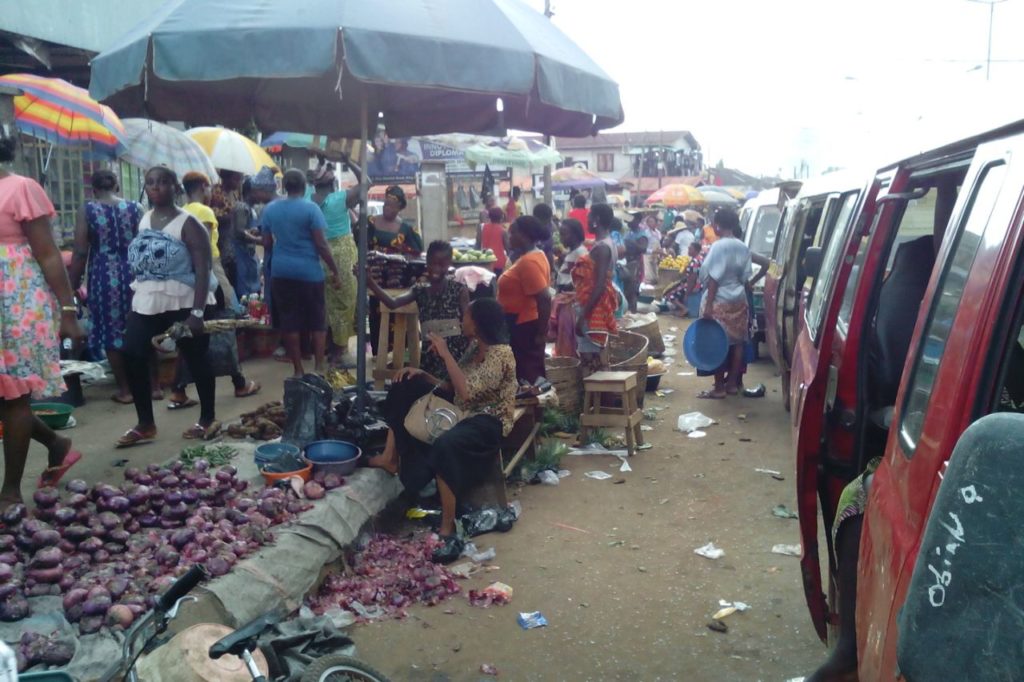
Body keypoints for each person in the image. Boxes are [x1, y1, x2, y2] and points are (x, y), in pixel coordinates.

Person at [367, 298, 517, 563]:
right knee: (405, 385)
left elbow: (467, 392)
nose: (462, 319)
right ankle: (390, 458)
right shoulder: (474, 348)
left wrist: (446, 353)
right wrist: (422, 375)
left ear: (479, 323)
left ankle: (448, 528)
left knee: (446, 444)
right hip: (462, 411)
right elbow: (450, 386)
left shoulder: (501, 353)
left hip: (487, 421)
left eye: (467, 315)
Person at [0, 132, 85, 506]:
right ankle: (56, 441)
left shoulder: (21, 188)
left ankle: (11, 491)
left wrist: (68, 310)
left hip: (16, 304)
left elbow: (49, 255)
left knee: (14, 396)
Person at [118, 167, 219, 447]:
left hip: (185, 300)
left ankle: (207, 418)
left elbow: (203, 269)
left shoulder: (189, 224)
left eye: (163, 182)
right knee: (132, 352)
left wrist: (196, 314)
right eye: (150, 182)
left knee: (196, 357)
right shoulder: (145, 219)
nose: (156, 187)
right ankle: (145, 423)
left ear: (175, 187)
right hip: (149, 299)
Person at [68, 169, 144, 404]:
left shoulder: (87, 210)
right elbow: (145, 242)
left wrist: (72, 284)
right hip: (135, 273)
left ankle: (125, 390)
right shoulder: (135, 208)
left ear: (93, 189)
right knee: (140, 326)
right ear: (117, 186)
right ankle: (153, 387)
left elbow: (80, 252)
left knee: (111, 331)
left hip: (103, 276)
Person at [261, 169, 342, 377]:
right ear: (305, 186)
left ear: (284, 186)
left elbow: (267, 243)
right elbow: (321, 245)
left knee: (289, 322)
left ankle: (297, 369)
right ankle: (318, 368)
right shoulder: (311, 209)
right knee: (317, 321)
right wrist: (335, 270)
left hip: (281, 272)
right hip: (309, 273)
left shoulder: (270, 210)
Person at [368, 240, 470, 380]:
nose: (436, 269)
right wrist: (370, 282)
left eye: (441, 264)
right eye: (432, 263)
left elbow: (470, 325)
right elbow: (393, 303)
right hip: (430, 361)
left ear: (449, 264)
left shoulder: (459, 290)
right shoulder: (419, 290)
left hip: (456, 359)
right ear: (426, 262)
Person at [697, 208, 753, 399]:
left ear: (718, 225)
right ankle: (731, 385)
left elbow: (713, 278)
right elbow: (746, 278)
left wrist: (708, 306)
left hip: (719, 299)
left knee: (717, 342)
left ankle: (719, 387)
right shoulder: (742, 246)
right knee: (737, 343)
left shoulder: (718, 247)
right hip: (738, 299)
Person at [310, 159, 361, 366]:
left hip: (318, 254)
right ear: (333, 183)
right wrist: (349, 160)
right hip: (342, 255)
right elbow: (366, 181)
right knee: (345, 303)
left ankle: (329, 350)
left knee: (326, 304)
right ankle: (340, 352)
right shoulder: (341, 199)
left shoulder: (309, 200)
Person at [497, 216, 552, 383]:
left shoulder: (529, 262)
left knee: (528, 375)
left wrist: (541, 334)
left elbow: (544, 298)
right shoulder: (533, 256)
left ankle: (536, 407)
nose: (509, 236)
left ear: (524, 235)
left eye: (512, 233)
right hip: (520, 323)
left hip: (524, 325)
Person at [573, 204, 619, 374]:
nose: (587, 219)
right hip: (598, 305)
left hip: (594, 309)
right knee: (597, 357)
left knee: (591, 360)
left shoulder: (602, 248)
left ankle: (596, 399)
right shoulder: (607, 243)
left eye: (590, 216)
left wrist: (583, 316)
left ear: (597, 220)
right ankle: (599, 399)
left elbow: (598, 286)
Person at [551, 218, 587, 357]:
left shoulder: (580, 253)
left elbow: (580, 279)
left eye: (565, 234)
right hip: (564, 300)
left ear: (576, 235)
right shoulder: (572, 252)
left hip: (570, 302)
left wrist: (564, 288)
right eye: (561, 234)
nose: (562, 238)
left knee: (568, 339)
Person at [229, 177, 266, 299]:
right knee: (244, 293)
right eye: (258, 191)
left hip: (249, 255)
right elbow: (239, 232)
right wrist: (258, 240)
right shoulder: (241, 207)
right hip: (240, 255)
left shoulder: (252, 209)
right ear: (250, 192)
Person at [621, 214, 648, 313]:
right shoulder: (628, 233)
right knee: (627, 288)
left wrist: (632, 243)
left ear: (637, 220)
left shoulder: (641, 234)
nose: (629, 222)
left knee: (633, 289)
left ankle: (633, 311)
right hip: (627, 261)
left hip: (636, 263)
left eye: (631, 220)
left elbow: (643, 248)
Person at [477, 206, 509, 274]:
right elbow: (508, 249)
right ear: (501, 217)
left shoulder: (481, 227)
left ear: (489, 216)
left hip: (484, 261)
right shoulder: (503, 231)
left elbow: (478, 244)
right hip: (499, 262)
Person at [532, 202, 558, 276]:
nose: (550, 221)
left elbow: (555, 246)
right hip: (535, 266)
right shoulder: (530, 229)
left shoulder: (552, 227)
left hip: (547, 265)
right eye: (548, 219)